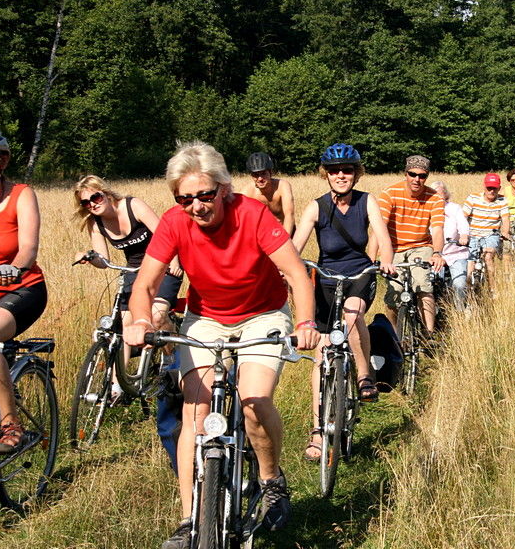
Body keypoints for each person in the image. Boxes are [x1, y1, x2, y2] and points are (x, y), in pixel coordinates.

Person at [123, 141, 320, 549]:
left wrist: (304, 322)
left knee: (254, 401)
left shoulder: (253, 214)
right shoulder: (174, 223)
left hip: (262, 314)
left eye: (205, 195)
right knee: (194, 413)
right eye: (185, 199)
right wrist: (141, 320)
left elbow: (297, 275)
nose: (196, 206)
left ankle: (270, 480)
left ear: (225, 188)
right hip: (206, 317)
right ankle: (188, 519)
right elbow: (144, 285)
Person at [291, 144, 395, 461]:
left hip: (360, 274)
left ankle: (364, 375)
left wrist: (386, 260)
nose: (340, 175)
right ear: (325, 174)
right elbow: (294, 246)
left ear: (356, 173)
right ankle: (317, 431)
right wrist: (287, 270)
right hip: (325, 280)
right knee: (322, 352)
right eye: (334, 170)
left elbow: (382, 236)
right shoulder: (316, 207)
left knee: (352, 313)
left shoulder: (367, 201)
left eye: (347, 170)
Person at [72, 175, 184, 403]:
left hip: (162, 265)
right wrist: (89, 258)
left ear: (106, 193)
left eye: (95, 197)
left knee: (158, 316)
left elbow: (164, 234)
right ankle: (117, 386)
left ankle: (172, 359)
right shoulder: (96, 223)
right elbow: (103, 260)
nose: (92, 204)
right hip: (134, 271)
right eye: (86, 202)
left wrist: (174, 261)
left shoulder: (133, 206)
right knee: (125, 326)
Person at [0, 126, 47, 454]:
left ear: (3, 162)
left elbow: (28, 249)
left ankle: (12, 423)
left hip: (20, 289)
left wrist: (14, 268)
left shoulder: (21, 195)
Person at [372, 155, 445, 335]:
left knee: (422, 285)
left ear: (426, 177)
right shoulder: (390, 193)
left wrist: (437, 253)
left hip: (421, 246)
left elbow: (437, 229)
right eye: (412, 174)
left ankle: (429, 334)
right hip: (393, 247)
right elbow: (378, 229)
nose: (417, 179)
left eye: (422, 176)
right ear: (406, 174)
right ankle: (393, 335)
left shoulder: (434, 198)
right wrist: (371, 259)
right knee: (395, 291)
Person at [463, 173, 510, 280]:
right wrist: (463, 234)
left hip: (491, 235)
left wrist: (505, 232)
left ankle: (492, 287)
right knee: (471, 261)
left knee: (488, 257)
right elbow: (463, 217)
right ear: (484, 187)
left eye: (494, 188)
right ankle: (469, 286)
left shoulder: (502, 200)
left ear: (499, 188)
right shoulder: (473, 198)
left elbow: (506, 219)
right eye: (489, 188)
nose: (491, 191)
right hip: (473, 234)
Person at [431, 181, 469, 310]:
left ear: (445, 195)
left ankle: (460, 310)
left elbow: (463, 224)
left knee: (459, 284)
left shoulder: (454, 208)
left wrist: (464, 236)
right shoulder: (427, 209)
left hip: (455, 252)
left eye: (440, 195)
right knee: (430, 283)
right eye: (434, 196)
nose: (438, 198)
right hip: (435, 254)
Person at [240, 152, 296, 236]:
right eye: (256, 175)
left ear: (270, 172)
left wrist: (285, 240)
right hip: (263, 235)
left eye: (263, 173)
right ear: (251, 176)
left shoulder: (282, 186)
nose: (260, 179)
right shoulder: (247, 192)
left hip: (286, 230)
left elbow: (289, 214)